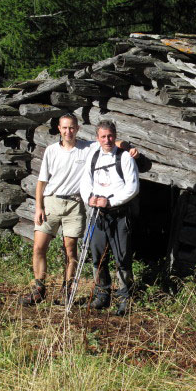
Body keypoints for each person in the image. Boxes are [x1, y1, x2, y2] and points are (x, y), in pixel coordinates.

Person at [20, 113, 137, 306]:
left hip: (75, 205)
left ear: (78, 129)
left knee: (71, 251)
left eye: (72, 127)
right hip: (52, 202)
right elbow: (42, 182)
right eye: (65, 128)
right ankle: (39, 288)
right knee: (39, 246)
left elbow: (109, 140)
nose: (68, 131)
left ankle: (69, 291)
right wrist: (39, 207)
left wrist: (128, 147)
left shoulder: (87, 148)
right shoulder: (51, 150)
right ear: (59, 129)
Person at [80, 120, 139, 315]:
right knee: (98, 257)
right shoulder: (93, 157)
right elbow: (85, 182)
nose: (107, 140)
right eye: (103, 136)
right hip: (98, 215)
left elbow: (132, 188)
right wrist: (90, 198)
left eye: (110, 136)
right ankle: (102, 295)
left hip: (119, 215)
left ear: (115, 136)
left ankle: (124, 299)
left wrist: (111, 202)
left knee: (122, 258)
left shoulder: (125, 158)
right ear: (98, 138)